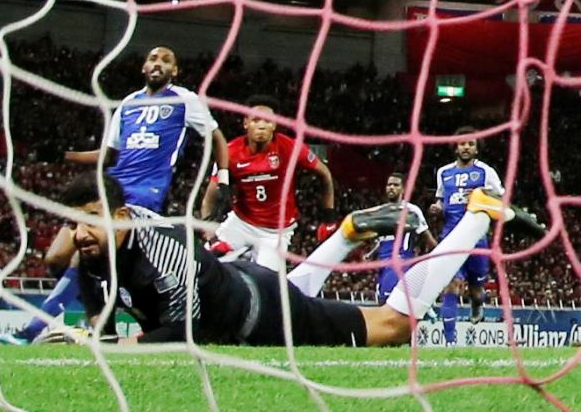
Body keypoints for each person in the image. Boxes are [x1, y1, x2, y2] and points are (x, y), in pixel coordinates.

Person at [60, 172, 542, 347]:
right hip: (247, 284)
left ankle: (477, 216)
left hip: (265, 314)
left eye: (89, 220)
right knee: (293, 295)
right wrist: (90, 338)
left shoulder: (161, 253)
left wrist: (120, 347)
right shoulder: (103, 240)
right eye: (73, 222)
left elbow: (189, 332)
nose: (79, 233)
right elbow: (97, 313)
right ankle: (348, 233)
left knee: (395, 326)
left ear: (121, 215)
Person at [0, 46, 230, 345]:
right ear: (143, 67)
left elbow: (216, 137)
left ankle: (29, 332)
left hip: (145, 194)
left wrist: (222, 178)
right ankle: (100, 318)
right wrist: (66, 155)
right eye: (152, 58)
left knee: (80, 260)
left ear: (175, 71)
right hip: (109, 188)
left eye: (166, 60)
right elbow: (108, 156)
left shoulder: (185, 100)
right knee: (56, 257)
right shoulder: (128, 104)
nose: (157, 63)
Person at [199, 95, 336, 273]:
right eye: (256, 120)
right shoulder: (229, 152)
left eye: (268, 121)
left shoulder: (290, 148)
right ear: (246, 123)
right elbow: (209, 199)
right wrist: (211, 238)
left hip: (276, 232)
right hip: (241, 223)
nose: (262, 125)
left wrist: (329, 217)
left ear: (275, 125)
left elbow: (324, 173)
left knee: (265, 281)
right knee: (205, 264)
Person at [428, 126, 503, 342]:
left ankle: (477, 303)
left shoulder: (486, 172)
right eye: (462, 143)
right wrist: (437, 208)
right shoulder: (443, 172)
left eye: (470, 144)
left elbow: (501, 201)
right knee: (451, 285)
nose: (466, 147)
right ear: (456, 147)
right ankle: (449, 343)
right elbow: (441, 201)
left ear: (477, 149)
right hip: (451, 236)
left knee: (476, 290)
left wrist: (483, 194)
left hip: (477, 238)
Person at [369, 172, 437, 304]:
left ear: (403, 189)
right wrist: (370, 254)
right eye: (389, 185)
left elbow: (427, 237)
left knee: (389, 306)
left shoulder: (411, 211)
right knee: (383, 304)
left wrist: (444, 255)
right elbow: (382, 240)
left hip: (399, 262)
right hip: (383, 264)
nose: (391, 188)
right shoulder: (380, 212)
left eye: (395, 185)